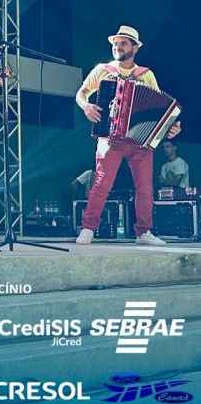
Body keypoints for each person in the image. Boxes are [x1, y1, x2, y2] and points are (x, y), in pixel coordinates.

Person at [75, 25, 180, 246]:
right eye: (116, 43)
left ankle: (143, 232)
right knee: (102, 183)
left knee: (145, 187)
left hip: (140, 140)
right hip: (110, 137)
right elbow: (81, 93)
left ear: (135, 47)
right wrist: (86, 106)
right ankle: (88, 228)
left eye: (123, 43)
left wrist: (171, 126)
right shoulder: (102, 70)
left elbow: (159, 108)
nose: (117, 46)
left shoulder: (146, 75)